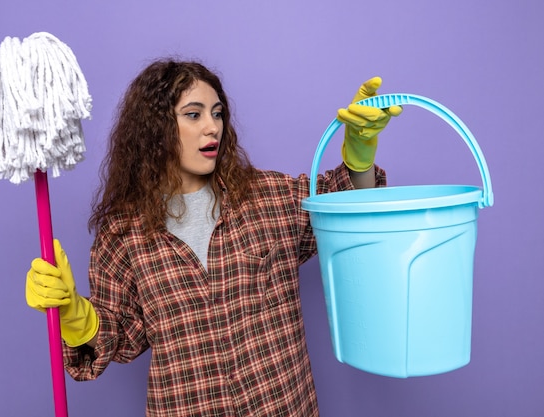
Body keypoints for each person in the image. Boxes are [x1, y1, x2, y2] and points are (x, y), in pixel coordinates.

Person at [25, 59, 401, 416]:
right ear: (155, 129)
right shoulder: (123, 234)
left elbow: (346, 209)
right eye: (194, 114)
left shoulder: (266, 196)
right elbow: (121, 336)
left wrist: (359, 157)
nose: (213, 127)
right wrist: (75, 314)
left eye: (217, 113)